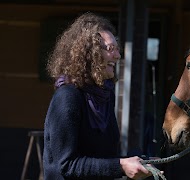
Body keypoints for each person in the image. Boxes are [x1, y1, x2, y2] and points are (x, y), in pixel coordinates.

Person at [43, 12, 151, 180]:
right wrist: (121, 166)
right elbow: (65, 165)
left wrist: (139, 162)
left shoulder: (105, 96)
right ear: (88, 55)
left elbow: (101, 157)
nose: (117, 56)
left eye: (117, 49)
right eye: (110, 49)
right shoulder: (67, 97)